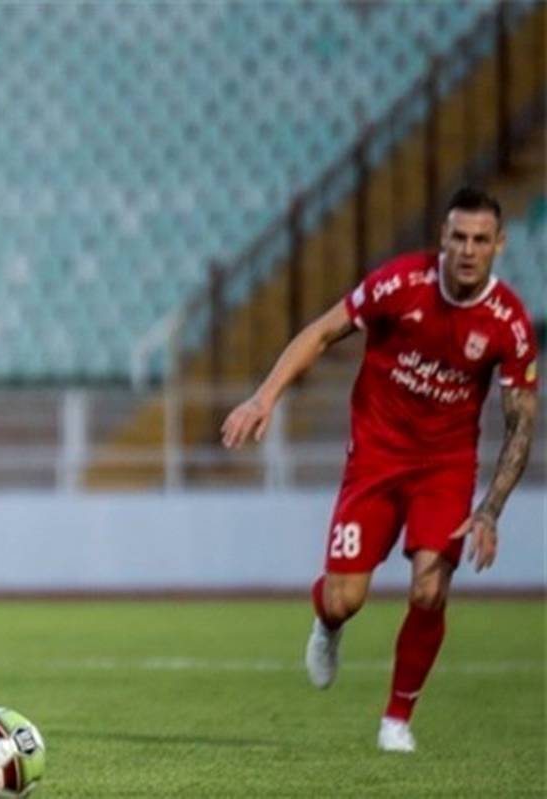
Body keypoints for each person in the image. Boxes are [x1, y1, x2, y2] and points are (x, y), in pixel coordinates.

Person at [222, 187, 539, 753]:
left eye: (480, 239)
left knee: (431, 588)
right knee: (344, 599)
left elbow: (521, 425)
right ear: (443, 238)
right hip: (375, 457)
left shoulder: (508, 323)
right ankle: (327, 624)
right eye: (459, 237)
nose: (468, 250)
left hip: (445, 467)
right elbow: (323, 331)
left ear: (499, 244)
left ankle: (397, 719)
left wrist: (490, 510)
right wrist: (264, 397)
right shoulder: (401, 283)